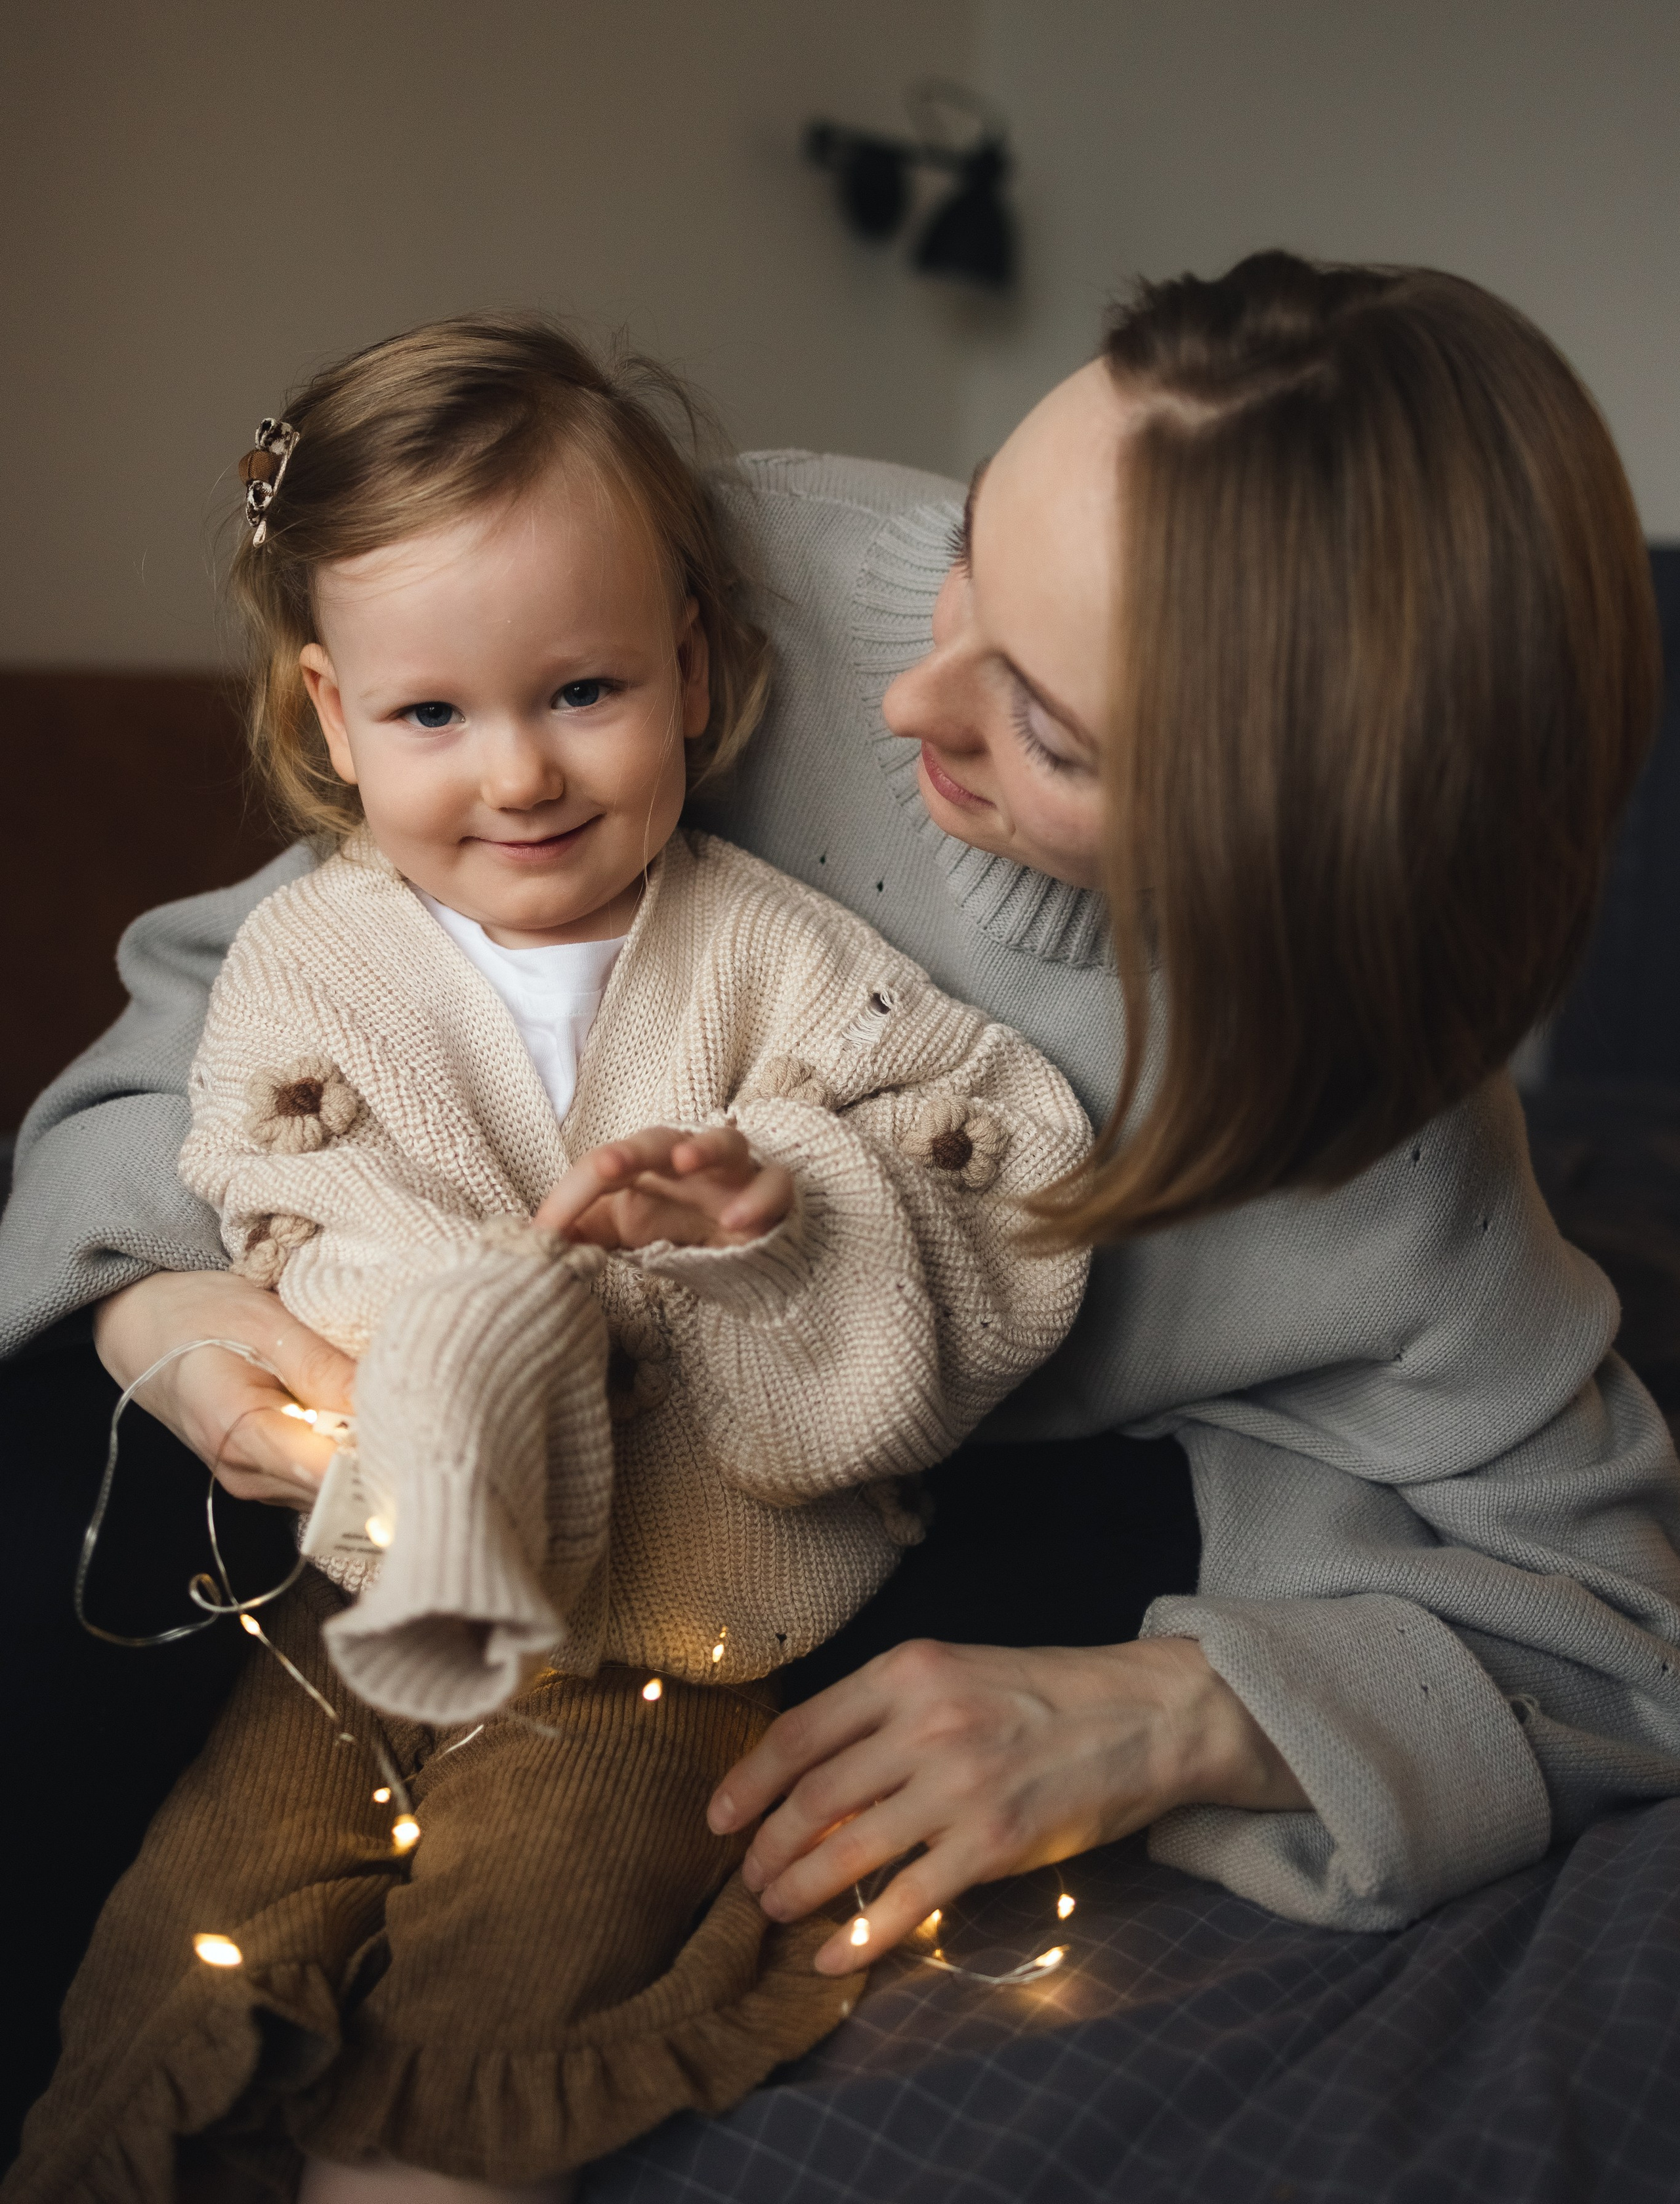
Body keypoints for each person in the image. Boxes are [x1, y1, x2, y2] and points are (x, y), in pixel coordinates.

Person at [4, 252, 1679, 2147]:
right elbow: (245, 1007)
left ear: (1278, 857)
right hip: (403, 1398)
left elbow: (1620, 1630)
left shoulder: (1381, 1165)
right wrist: (156, 1308)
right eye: (975, 548)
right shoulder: (737, 563)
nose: (897, 693)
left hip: (824, 1518)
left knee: (533, 1950)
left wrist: (1168, 1711)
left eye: (1041, 729)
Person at [5, 317, 1093, 2203]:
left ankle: (422, 2162)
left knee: (539, 1940)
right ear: (332, 720)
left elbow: (967, 1160)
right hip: (373, 1604)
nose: (519, 775)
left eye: (583, 690)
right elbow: (265, 1188)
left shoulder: (781, 957)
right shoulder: (311, 962)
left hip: (665, 1623)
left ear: (690, 668)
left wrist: (767, 1220)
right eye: (435, 718)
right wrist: (449, 1313)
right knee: (204, 1913)